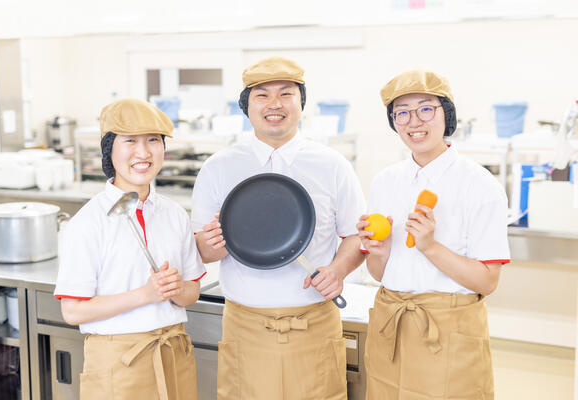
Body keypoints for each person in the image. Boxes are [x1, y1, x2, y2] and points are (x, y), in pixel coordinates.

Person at [192, 56, 366, 400]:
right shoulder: (218, 168)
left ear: (302, 103)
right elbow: (202, 249)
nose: (275, 104)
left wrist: (338, 269)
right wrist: (213, 244)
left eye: (286, 94)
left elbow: (357, 234)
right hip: (246, 327)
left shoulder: (332, 165)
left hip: (314, 323)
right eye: (262, 95)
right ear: (247, 107)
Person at [357, 70, 510, 399]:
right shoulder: (385, 182)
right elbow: (379, 273)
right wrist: (379, 252)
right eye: (402, 112)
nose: (414, 122)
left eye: (426, 109)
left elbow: (487, 282)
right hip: (391, 325)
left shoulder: (479, 185)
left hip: (447, 330)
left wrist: (429, 246)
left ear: (447, 114)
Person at [54, 98, 206, 400]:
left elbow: (192, 293)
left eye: (153, 140)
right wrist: (145, 295)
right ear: (109, 149)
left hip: (173, 353)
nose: (143, 152)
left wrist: (175, 289)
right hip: (118, 363)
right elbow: (72, 311)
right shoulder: (87, 223)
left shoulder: (175, 214)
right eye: (130, 141)